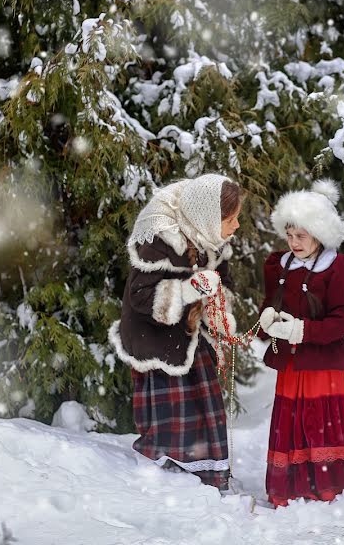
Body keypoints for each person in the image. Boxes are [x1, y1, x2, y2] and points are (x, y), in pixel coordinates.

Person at [109, 173, 243, 489]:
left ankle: (207, 473)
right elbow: (140, 296)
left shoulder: (212, 240)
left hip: (192, 331)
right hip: (156, 338)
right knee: (173, 410)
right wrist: (187, 290)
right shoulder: (158, 240)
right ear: (208, 218)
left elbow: (224, 284)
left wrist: (219, 312)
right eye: (231, 219)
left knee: (204, 403)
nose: (236, 226)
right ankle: (169, 474)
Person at [257, 178, 344, 506]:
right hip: (291, 363)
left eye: (301, 236)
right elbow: (271, 304)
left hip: (323, 362)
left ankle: (328, 482)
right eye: (289, 235)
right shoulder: (280, 265)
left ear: (319, 234)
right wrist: (266, 320)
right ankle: (290, 485)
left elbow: (342, 319)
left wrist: (304, 331)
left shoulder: (338, 268)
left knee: (321, 418)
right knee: (291, 419)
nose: (293, 242)